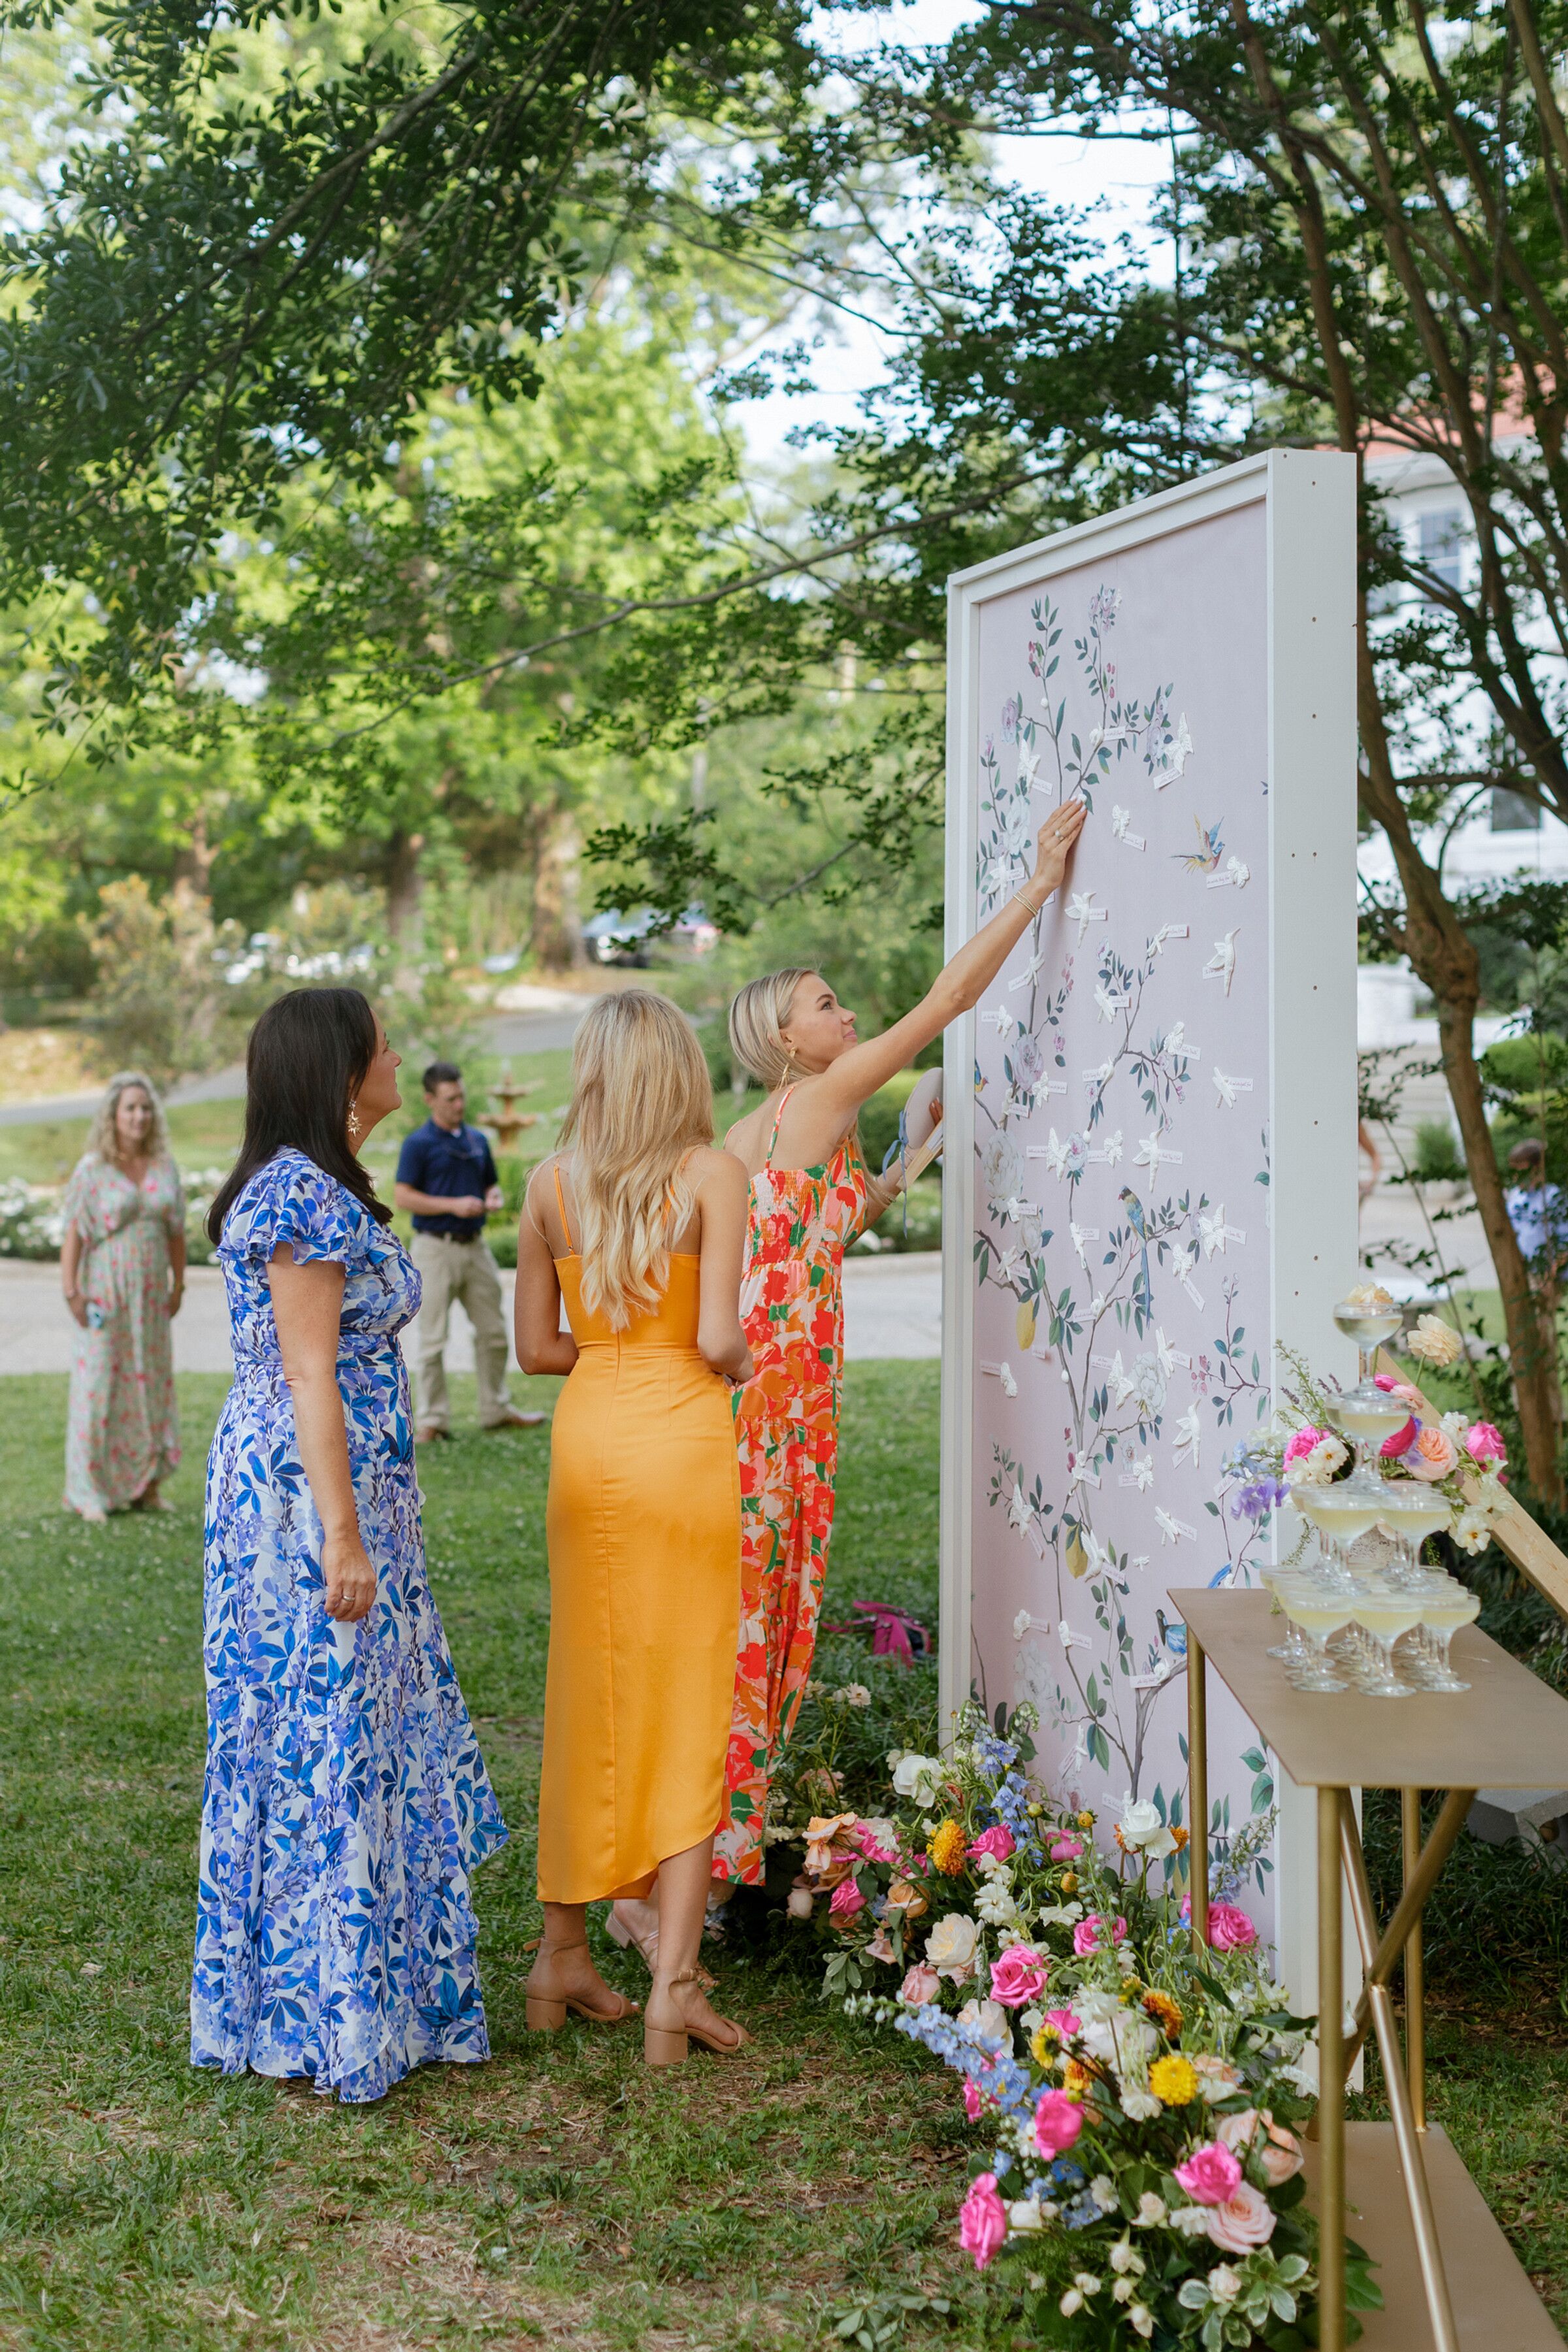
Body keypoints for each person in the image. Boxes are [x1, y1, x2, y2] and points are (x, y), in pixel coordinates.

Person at [710, 794, 1088, 1894]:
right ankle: (705, 1868)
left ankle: (706, 1861)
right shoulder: (818, 1095)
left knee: (758, 1624)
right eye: (825, 1005)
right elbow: (950, 998)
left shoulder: (770, 1135)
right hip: (776, 1408)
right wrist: (1040, 883)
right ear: (788, 1039)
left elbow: (848, 1212)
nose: (844, 1014)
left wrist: (917, 1142)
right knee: (758, 1630)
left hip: (771, 1404)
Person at [193, 988, 506, 2103]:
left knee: (357, 1737)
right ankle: (325, 2018)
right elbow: (309, 1373)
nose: (400, 1056)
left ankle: (376, 2002)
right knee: (323, 1737)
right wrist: (343, 1537)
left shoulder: (322, 1186)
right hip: (302, 1511)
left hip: (340, 1498)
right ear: (342, 1074)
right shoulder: (294, 1196)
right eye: (383, 1048)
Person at [514, 990, 753, 2064]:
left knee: (588, 1687)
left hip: (588, 1446)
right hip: (681, 1444)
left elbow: (535, 1350)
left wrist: (612, 1353)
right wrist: (734, 1359)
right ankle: (674, 1990)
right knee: (687, 1696)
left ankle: (561, 1955)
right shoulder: (712, 1175)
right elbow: (714, 1341)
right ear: (681, 1072)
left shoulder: (549, 1185)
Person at [60, 1070, 185, 1520]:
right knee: (98, 1388)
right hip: (106, 1295)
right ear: (113, 1115)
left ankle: (147, 1486)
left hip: (151, 1301)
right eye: (131, 1108)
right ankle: (88, 1490)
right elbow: (74, 1234)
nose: (139, 1116)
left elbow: (175, 1233)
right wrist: (72, 1293)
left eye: (146, 1108)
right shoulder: (93, 1169)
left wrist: (179, 1284)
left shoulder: (165, 1166)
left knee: (151, 1387)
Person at [394, 1060, 541, 1441]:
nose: (459, 1104)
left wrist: (492, 1197)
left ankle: (496, 1408)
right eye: (450, 1098)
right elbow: (402, 1196)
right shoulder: (418, 1144)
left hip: (475, 1248)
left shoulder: (477, 1140)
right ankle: (433, 1420)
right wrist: (453, 1205)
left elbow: (490, 1185)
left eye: (461, 1096)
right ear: (430, 1099)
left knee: (493, 1332)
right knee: (432, 1340)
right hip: (434, 1249)